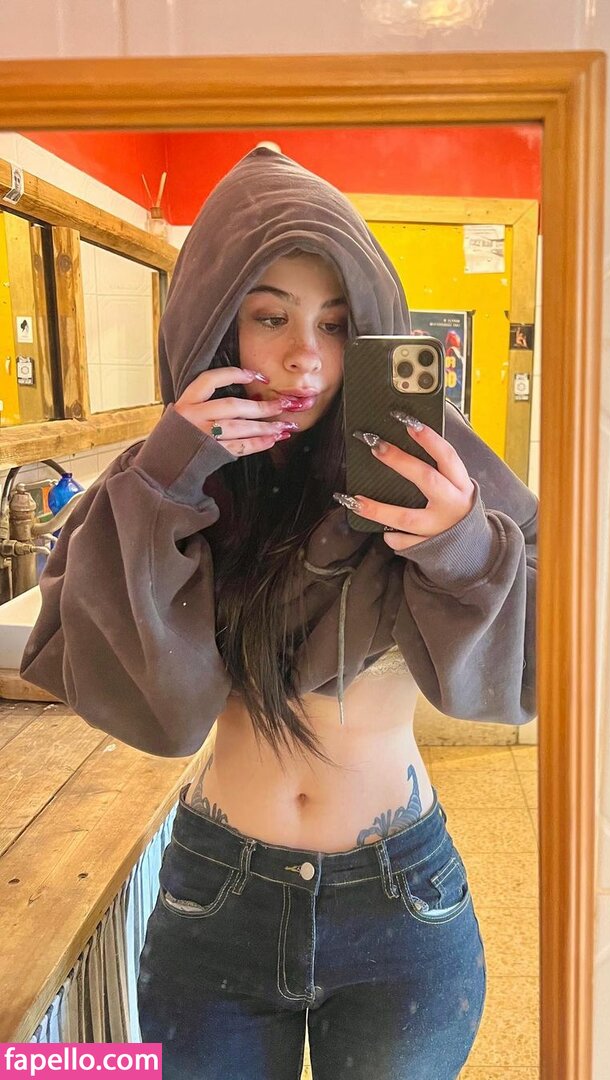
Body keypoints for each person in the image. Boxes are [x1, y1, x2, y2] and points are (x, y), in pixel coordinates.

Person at [20, 147, 538, 1080]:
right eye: (270, 317)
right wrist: (168, 483)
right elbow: (160, 714)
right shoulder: (156, 481)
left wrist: (460, 544)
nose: (306, 354)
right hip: (217, 896)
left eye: (337, 324)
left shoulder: (429, 467)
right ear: (215, 325)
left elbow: (519, 678)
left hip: (399, 900)